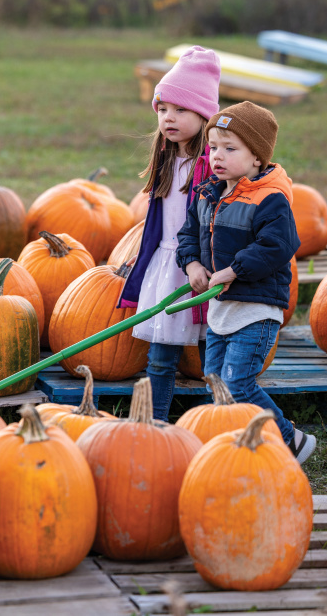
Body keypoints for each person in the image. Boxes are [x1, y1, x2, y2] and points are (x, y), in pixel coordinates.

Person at [176, 101, 316, 463]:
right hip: (222, 307)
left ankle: (290, 440)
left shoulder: (270, 199)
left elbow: (278, 246)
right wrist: (191, 263)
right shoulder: (209, 193)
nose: (216, 156)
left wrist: (233, 270)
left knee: (238, 382)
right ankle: (239, 445)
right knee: (215, 380)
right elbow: (188, 233)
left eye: (229, 148)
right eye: (213, 147)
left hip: (256, 308)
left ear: (257, 157)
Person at [118, 45, 220, 422]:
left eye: (180, 109)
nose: (168, 117)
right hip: (169, 266)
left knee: (215, 358)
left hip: (206, 269)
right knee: (160, 359)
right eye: (162, 109)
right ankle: (154, 425)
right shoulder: (166, 159)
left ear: (205, 114)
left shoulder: (213, 165)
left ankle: (221, 424)